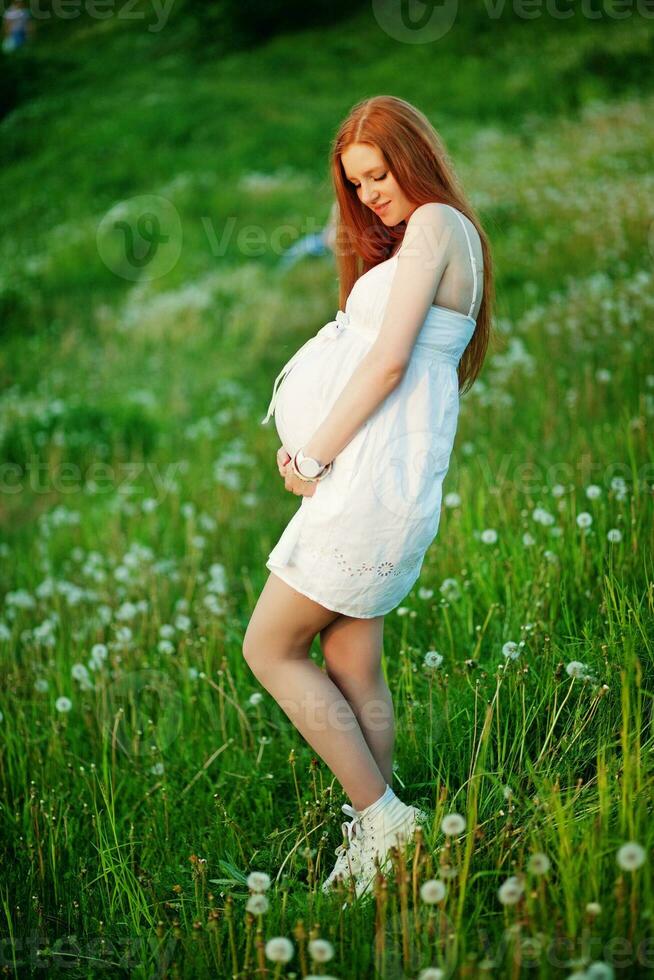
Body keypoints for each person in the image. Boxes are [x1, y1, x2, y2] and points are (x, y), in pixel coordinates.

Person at [244, 95, 494, 899]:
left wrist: (313, 453)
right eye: (355, 185)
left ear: (413, 157)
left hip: (364, 484)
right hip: (384, 481)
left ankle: (384, 818)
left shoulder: (437, 228)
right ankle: (378, 846)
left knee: (268, 648)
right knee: (353, 661)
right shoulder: (435, 239)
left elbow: (388, 364)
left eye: (378, 175)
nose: (369, 195)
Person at [278, 200, 339, 270]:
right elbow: (329, 230)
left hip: (324, 246)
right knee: (295, 253)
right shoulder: (338, 206)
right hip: (320, 243)